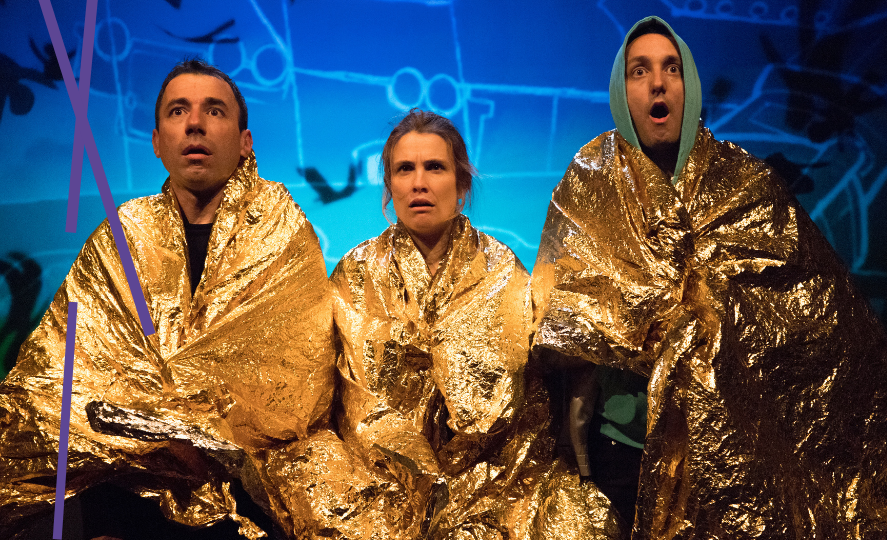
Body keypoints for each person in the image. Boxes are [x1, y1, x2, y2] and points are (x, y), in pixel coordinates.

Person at [531, 16, 887, 539]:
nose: (658, 83)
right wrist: (641, 320)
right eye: (639, 71)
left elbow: (814, 314)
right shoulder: (591, 180)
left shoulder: (745, 182)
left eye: (671, 69)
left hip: (739, 448)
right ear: (622, 92)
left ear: (690, 85)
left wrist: (706, 316)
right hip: (624, 444)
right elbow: (558, 313)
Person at [0, 59, 337, 539]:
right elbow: (65, 371)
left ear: (245, 141)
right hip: (128, 482)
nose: (195, 124)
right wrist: (157, 439)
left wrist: (196, 435)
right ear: (157, 142)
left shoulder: (283, 230)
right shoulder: (124, 233)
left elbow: (299, 379)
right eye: (178, 111)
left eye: (214, 111)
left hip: (246, 491)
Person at [328, 109, 621, 539]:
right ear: (389, 185)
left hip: (495, 477)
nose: (419, 183)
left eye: (435, 167)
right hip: (381, 479)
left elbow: (519, 392)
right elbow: (352, 398)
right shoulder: (356, 272)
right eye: (405, 169)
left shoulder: (501, 270)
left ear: (462, 184)